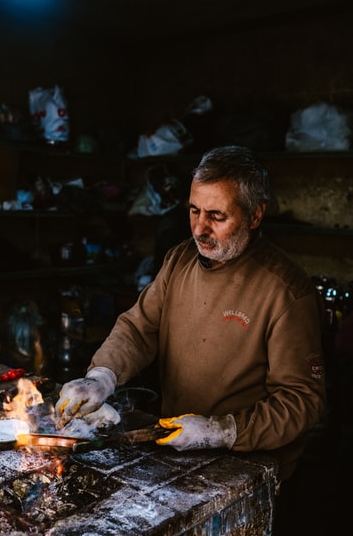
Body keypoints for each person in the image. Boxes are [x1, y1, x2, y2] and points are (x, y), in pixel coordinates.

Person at [55, 144, 326, 484]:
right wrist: (103, 376)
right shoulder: (179, 260)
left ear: (255, 215)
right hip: (177, 450)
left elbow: (301, 401)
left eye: (217, 216)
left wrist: (222, 431)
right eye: (194, 210)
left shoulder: (285, 289)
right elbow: (139, 329)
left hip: (248, 468)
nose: (199, 229)